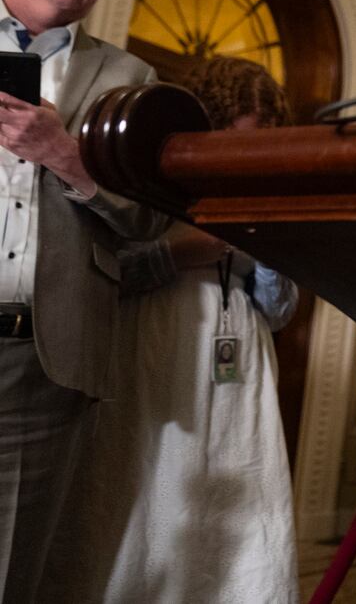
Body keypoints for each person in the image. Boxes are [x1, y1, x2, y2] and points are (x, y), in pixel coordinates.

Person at [45, 56, 298, 603]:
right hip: (156, 348)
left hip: (240, 369)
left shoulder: (264, 191)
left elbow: (280, 311)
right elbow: (109, 275)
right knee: (152, 501)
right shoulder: (143, 184)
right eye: (231, 139)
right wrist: (184, 253)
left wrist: (269, 246)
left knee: (235, 514)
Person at [0, 0, 172, 604]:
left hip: (38, 363)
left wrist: (63, 153)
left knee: (11, 571)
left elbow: (149, 220)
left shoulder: (130, 80)